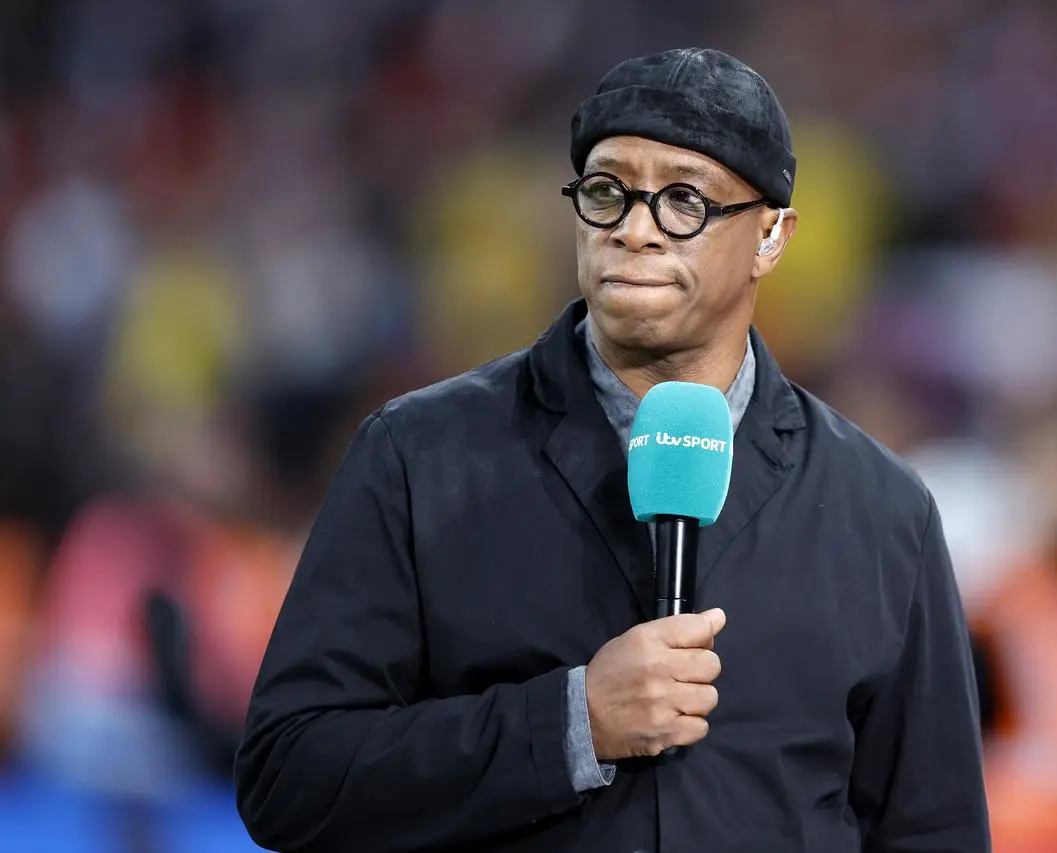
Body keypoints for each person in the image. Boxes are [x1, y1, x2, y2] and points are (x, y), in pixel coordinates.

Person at [235, 47, 991, 852]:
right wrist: (569, 723)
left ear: (771, 237)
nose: (633, 230)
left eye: (683, 201)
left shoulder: (879, 511)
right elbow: (289, 774)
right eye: (606, 192)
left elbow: (931, 827)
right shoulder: (418, 457)